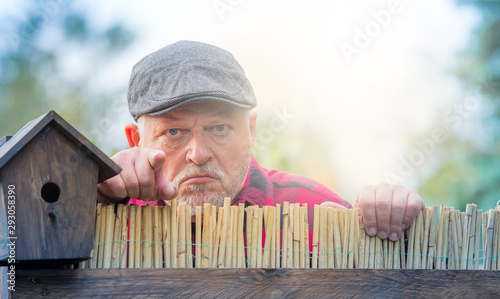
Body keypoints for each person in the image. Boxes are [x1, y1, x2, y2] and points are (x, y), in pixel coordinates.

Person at [97, 40, 424, 242]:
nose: (198, 154)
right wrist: (88, 191)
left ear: (251, 130)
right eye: (173, 132)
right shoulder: (101, 214)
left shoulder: (313, 211)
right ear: (136, 140)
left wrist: (396, 224)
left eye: (220, 128)